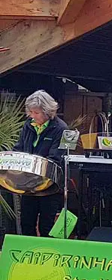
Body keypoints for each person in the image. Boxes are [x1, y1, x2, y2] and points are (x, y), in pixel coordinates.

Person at [13, 90, 68, 237]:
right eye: (30, 112)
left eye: (36, 112)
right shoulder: (28, 125)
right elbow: (19, 148)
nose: (32, 116)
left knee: (46, 227)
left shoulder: (61, 129)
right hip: (29, 184)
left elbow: (56, 158)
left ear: (47, 111)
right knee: (26, 223)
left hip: (50, 186)